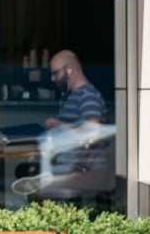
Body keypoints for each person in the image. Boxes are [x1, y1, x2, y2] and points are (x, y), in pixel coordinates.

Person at [12, 50, 115, 198]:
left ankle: (47, 182)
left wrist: (59, 125)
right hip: (67, 164)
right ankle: (47, 178)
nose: (53, 79)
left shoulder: (88, 96)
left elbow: (93, 131)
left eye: (55, 73)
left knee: (34, 186)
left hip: (82, 169)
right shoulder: (75, 96)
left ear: (70, 69)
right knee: (24, 171)